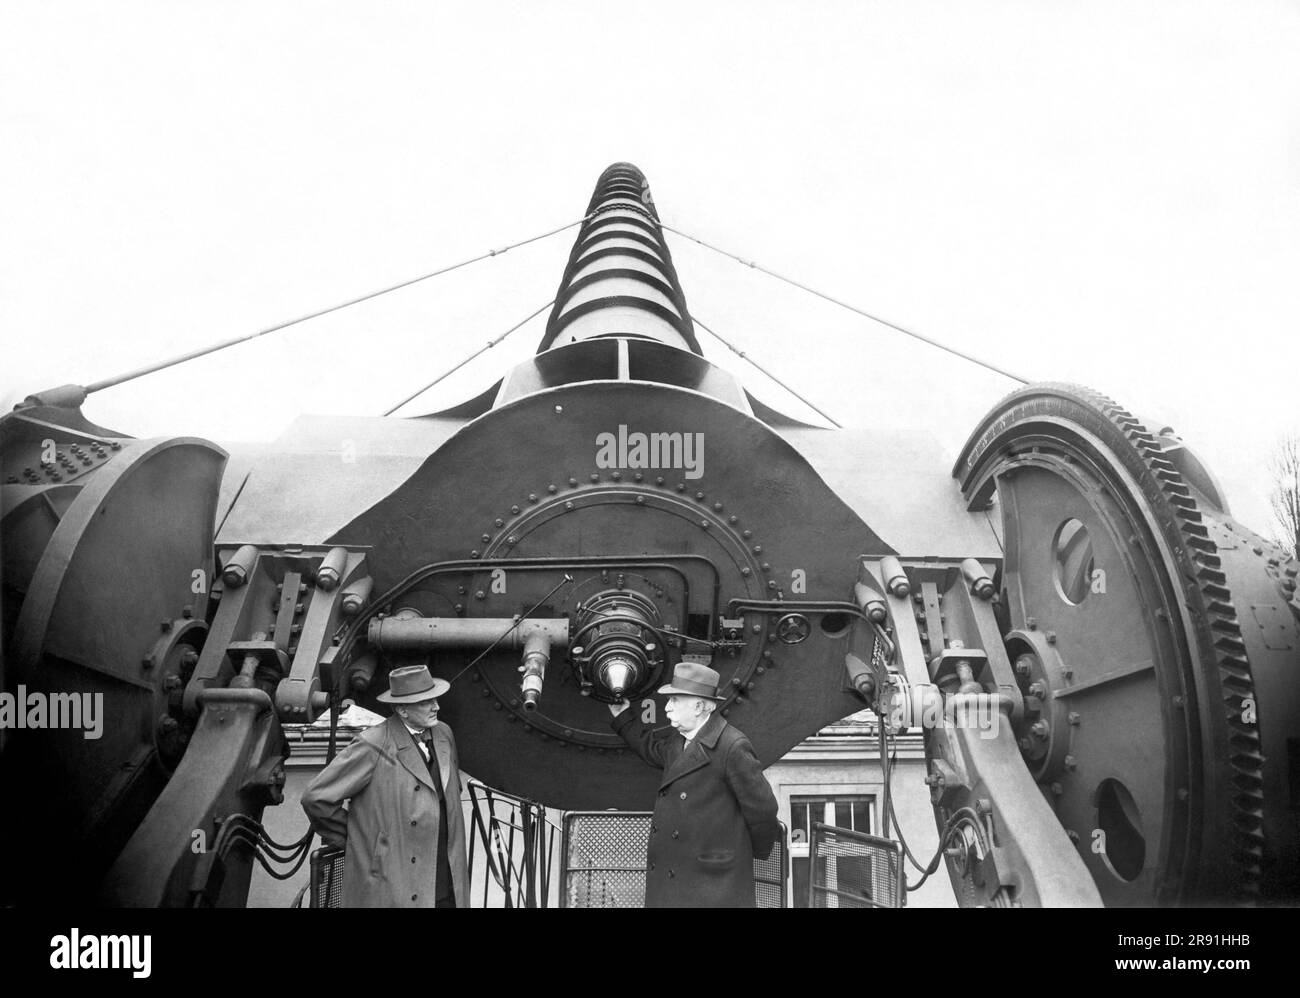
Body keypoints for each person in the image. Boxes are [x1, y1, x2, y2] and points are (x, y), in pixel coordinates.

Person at [610, 661, 781, 907]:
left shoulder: (732, 746)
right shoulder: (678, 741)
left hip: (712, 882)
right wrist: (623, 717)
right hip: (675, 873)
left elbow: (763, 810)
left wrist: (741, 854)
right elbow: (651, 750)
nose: (667, 709)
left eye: (674, 701)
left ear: (699, 706)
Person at [302, 664, 468, 907]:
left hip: (445, 873)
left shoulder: (444, 734)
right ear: (402, 710)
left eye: (435, 699)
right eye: (425, 702)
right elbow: (316, 798)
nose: (437, 707)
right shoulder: (373, 744)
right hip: (398, 879)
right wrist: (362, 838)